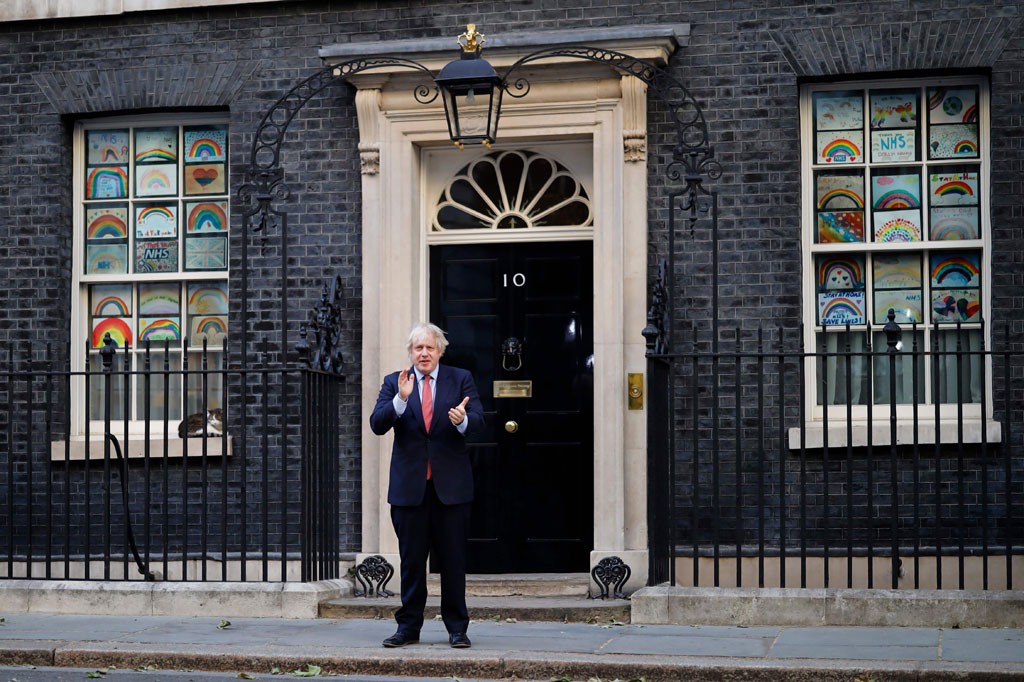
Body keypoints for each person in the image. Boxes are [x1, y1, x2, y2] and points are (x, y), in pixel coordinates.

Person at [369, 322, 484, 648]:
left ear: (439, 351)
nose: (423, 353)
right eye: (418, 348)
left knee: (453, 562)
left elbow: (479, 420)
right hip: (410, 490)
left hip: (451, 489)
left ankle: (457, 628)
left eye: (429, 347)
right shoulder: (395, 382)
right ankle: (408, 627)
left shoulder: (460, 379)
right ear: (410, 352)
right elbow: (377, 424)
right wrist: (400, 401)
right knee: (411, 562)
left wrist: (462, 421)